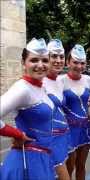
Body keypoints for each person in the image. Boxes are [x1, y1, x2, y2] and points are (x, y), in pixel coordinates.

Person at [0, 38, 55, 179]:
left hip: (42, 158)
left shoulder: (39, 86)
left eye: (44, 60)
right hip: (27, 161)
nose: (40, 65)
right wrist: (16, 133)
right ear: (23, 63)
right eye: (34, 60)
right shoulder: (22, 88)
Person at [59, 44, 90, 180]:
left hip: (85, 128)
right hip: (68, 130)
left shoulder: (89, 81)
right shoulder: (60, 81)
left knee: (81, 165)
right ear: (68, 62)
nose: (79, 66)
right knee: (69, 166)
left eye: (82, 63)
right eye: (75, 62)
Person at [43, 39, 70, 180]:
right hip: (47, 140)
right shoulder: (39, 81)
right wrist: (17, 134)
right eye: (54, 56)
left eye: (61, 57)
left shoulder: (60, 81)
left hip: (62, 137)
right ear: (46, 58)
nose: (58, 60)